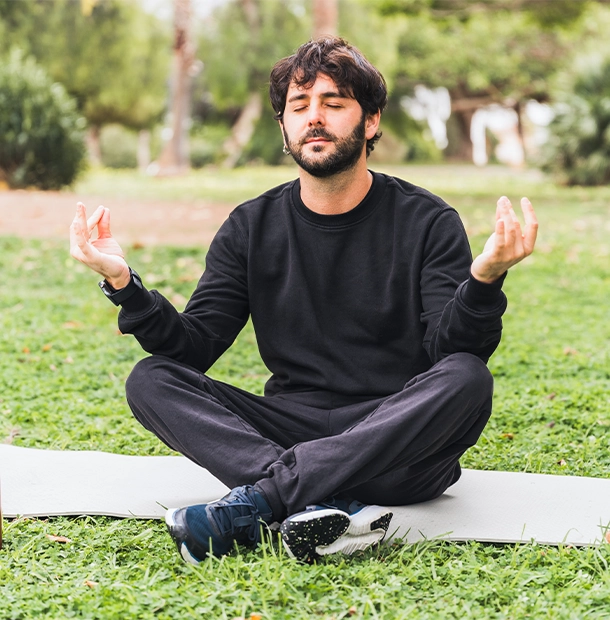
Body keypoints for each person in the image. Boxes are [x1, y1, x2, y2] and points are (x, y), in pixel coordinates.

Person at [70, 36, 538, 564]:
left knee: (466, 377)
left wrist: (484, 279)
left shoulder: (428, 221)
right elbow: (191, 349)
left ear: (372, 121)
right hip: (288, 429)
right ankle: (321, 499)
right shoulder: (252, 225)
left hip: (394, 443)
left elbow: (446, 351)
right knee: (151, 379)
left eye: (333, 104)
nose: (314, 117)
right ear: (284, 127)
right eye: (299, 106)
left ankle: (267, 498)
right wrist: (123, 283)